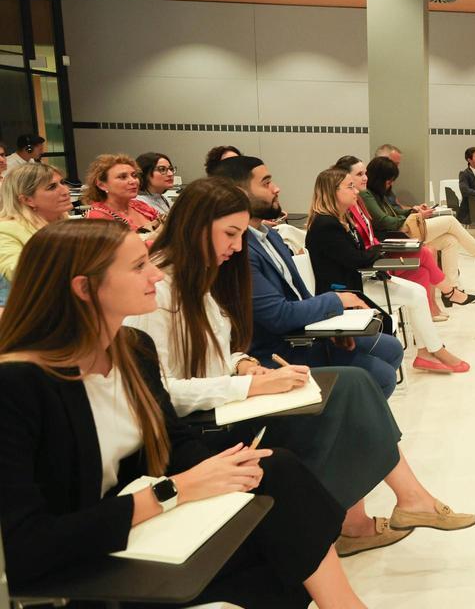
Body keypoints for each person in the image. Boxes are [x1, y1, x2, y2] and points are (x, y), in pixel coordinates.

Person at [0, 220, 367, 607]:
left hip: (137, 523)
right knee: (277, 546)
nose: (155, 274)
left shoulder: (131, 348)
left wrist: (226, 469)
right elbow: (30, 545)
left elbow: (171, 443)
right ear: (84, 287)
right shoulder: (18, 385)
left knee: (275, 473)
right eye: (139, 266)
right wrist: (174, 490)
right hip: (80, 559)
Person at [125, 178, 475, 557]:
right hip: (203, 422)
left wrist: (243, 365)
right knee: (349, 392)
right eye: (229, 233)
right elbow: (158, 392)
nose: (235, 246)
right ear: (195, 227)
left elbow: (215, 352)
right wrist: (248, 386)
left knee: (355, 384)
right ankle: (371, 515)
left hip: (228, 397)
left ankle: (402, 502)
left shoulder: (196, 278)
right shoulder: (156, 288)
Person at [210, 157, 410, 393]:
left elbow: (301, 293)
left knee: (391, 348)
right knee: (382, 376)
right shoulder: (239, 250)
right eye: (266, 183)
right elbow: (277, 315)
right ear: (238, 192)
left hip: (304, 331)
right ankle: (343, 419)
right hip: (279, 347)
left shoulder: (270, 236)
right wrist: (337, 302)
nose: (276, 188)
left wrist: (330, 326)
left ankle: (350, 416)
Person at [306, 167, 470, 374]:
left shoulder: (339, 220)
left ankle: (428, 352)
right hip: (346, 292)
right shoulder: (326, 225)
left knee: (419, 291)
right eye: (350, 187)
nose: (356, 191)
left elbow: (358, 255)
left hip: (357, 281)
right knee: (417, 292)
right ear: (332, 191)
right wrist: (379, 249)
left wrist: (376, 250)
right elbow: (357, 259)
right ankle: (433, 351)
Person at [335, 155, 475, 319]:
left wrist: (413, 211)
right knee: (444, 229)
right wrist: (411, 218)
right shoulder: (364, 197)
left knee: (449, 242)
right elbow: (383, 222)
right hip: (389, 242)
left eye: (365, 173)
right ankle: (466, 273)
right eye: (360, 174)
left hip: (390, 240)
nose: (365, 178)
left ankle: (442, 300)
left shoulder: (371, 195)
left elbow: (391, 213)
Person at [361, 156, 475, 284]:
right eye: (389, 181)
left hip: (403, 229)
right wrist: (416, 216)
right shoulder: (367, 195)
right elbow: (383, 220)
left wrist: (413, 210)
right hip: (398, 233)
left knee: (451, 240)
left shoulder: (377, 193)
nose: (390, 184)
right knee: (450, 221)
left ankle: (452, 288)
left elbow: (394, 212)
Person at [0, 162, 72, 310]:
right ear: (27, 200)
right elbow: (18, 272)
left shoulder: (67, 223)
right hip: (30, 313)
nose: (66, 191)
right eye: (52, 187)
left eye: (62, 183)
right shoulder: (5, 229)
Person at [83, 153, 164, 240]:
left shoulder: (141, 206)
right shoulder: (97, 217)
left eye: (134, 175)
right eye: (122, 177)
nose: (133, 181)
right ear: (102, 185)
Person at [136, 150, 177, 215]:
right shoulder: (138, 205)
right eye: (162, 169)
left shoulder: (165, 200)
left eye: (171, 169)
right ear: (145, 174)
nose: (170, 174)